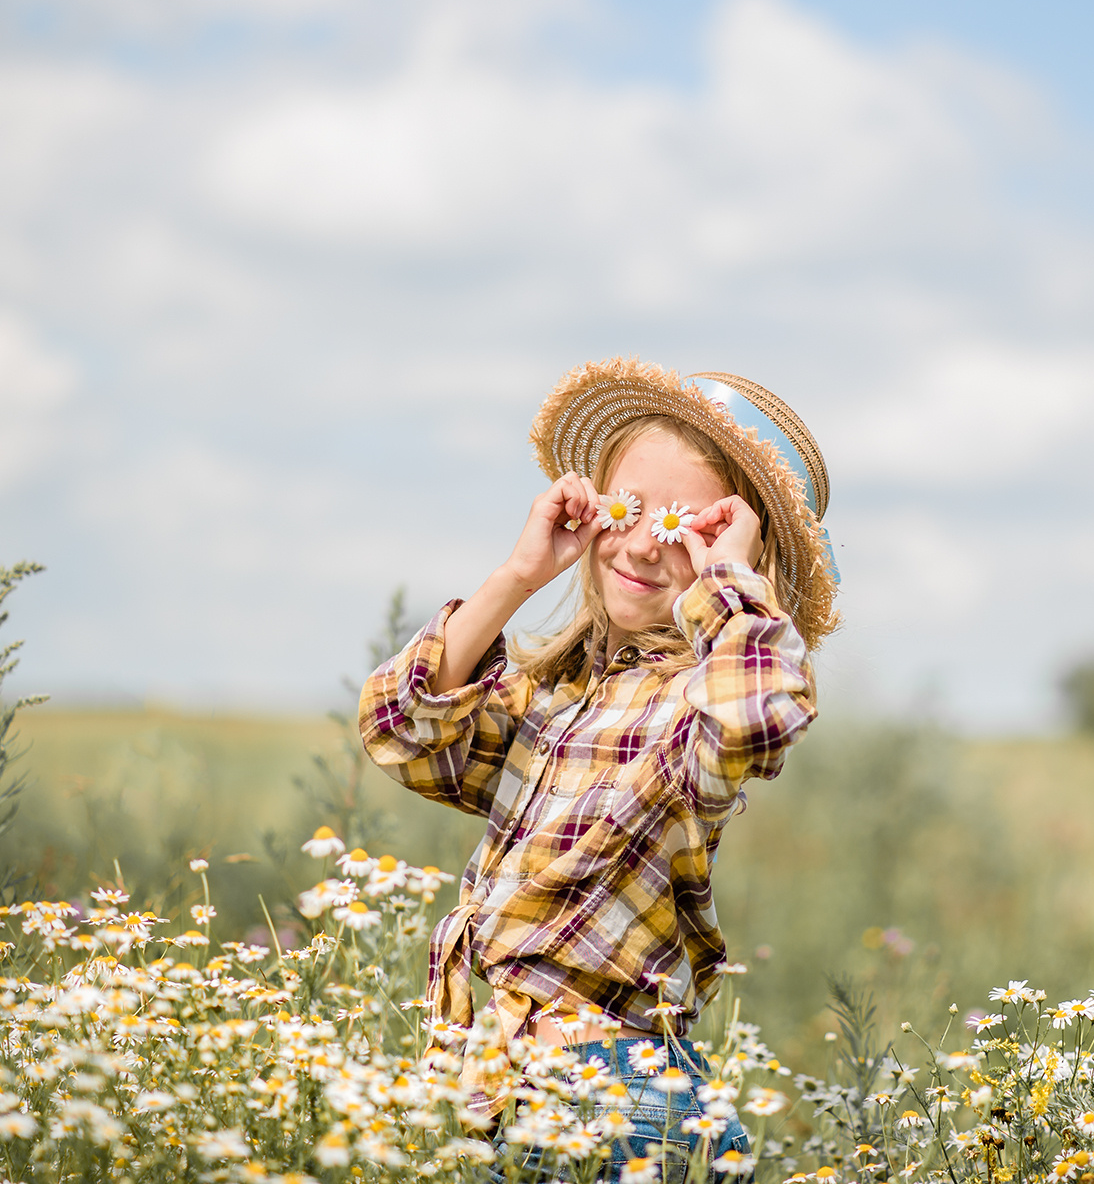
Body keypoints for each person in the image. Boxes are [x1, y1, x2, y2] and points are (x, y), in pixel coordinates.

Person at [358, 357, 840, 1178]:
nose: (644, 544)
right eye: (630, 507)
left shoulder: (690, 704)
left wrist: (723, 577)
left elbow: (759, 715)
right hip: (498, 1080)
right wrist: (516, 578)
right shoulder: (553, 700)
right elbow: (400, 732)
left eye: (683, 529)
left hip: (616, 1100)